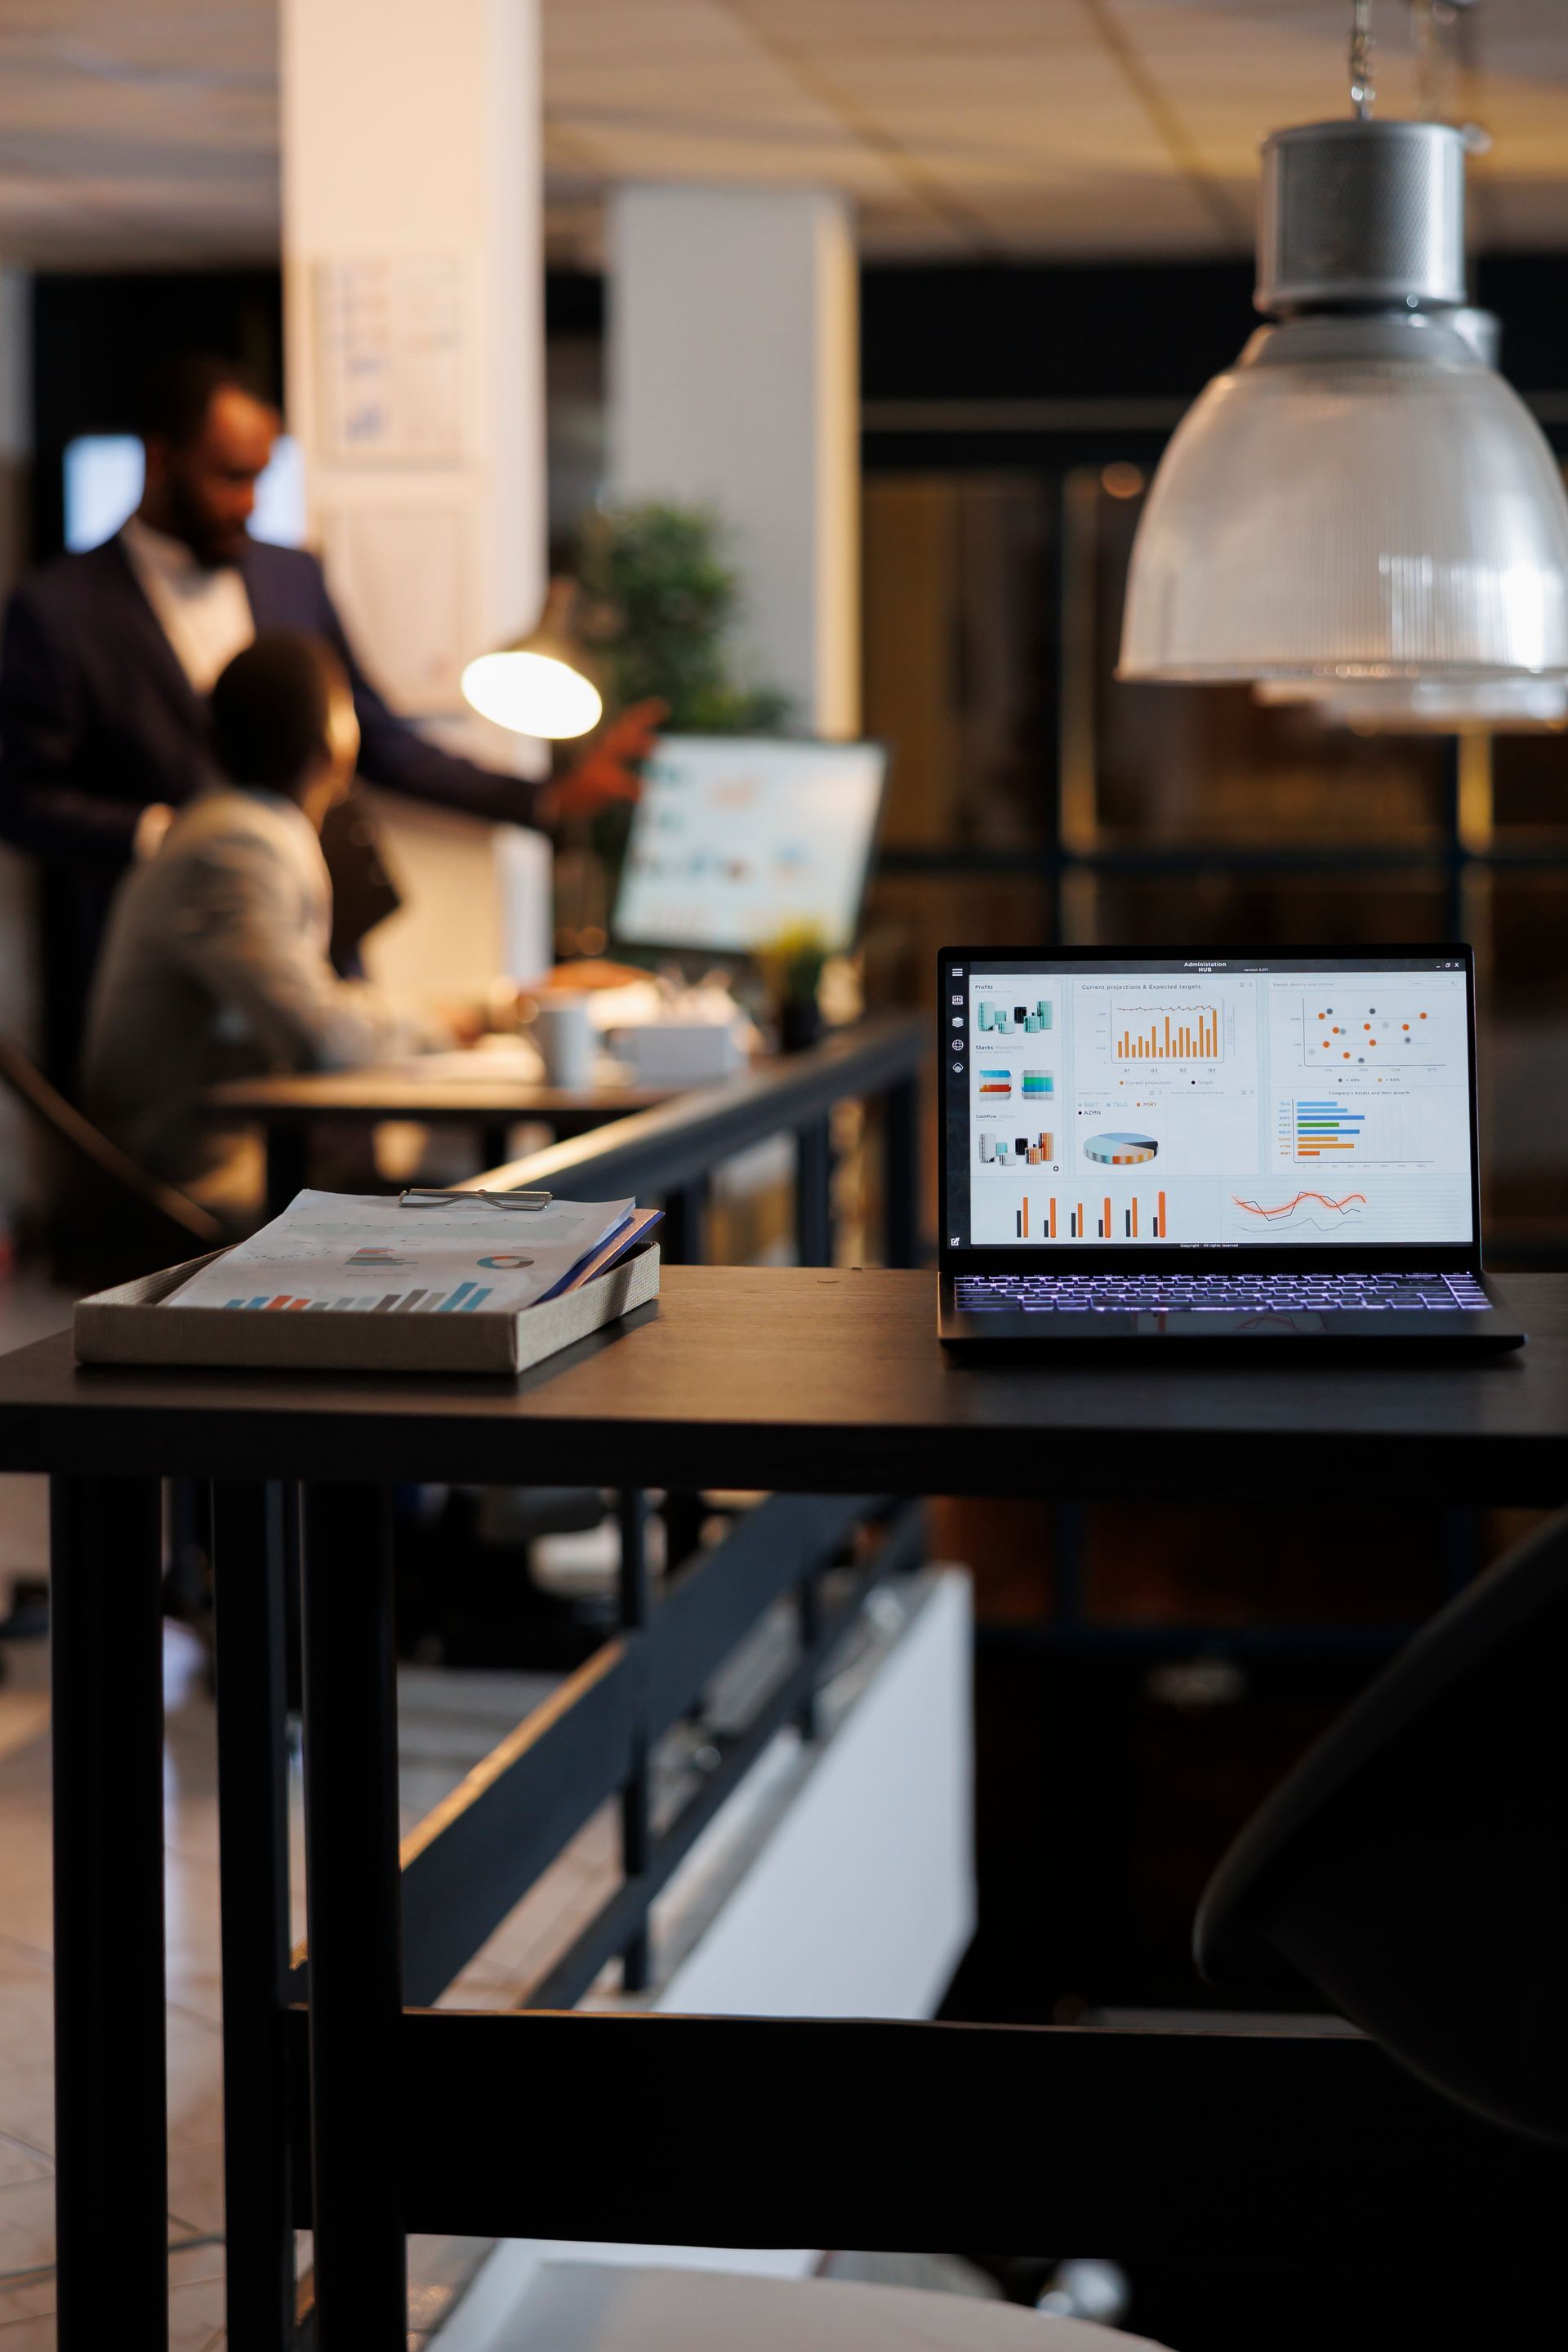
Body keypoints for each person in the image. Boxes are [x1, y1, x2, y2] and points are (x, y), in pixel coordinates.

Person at [0, 351, 646, 1083]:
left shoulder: (291, 574)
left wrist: (545, 799)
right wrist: (163, 834)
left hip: (311, 936)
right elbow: (21, 802)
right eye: (229, 477)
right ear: (160, 459)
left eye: (261, 477)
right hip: (174, 975)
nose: (250, 501)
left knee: (350, 1121)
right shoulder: (58, 609)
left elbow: (377, 736)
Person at [82, 632, 453, 1203]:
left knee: (462, 1204)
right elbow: (320, 1036)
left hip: (223, 1153)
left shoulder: (232, 827)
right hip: (182, 1180)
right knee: (468, 1214)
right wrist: (447, 1025)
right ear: (334, 737)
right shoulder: (234, 844)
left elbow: (311, 1012)